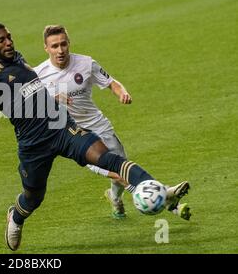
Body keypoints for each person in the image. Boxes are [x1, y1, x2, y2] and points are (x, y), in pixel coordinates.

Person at [0, 22, 190, 251]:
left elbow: (32, 92)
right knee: (34, 197)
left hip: (63, 129)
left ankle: (154, 188)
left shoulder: (18, 58)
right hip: (33, 145)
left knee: (107, 157)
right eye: (1, 40)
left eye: (9, 37)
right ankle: (15, 217)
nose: (8, 42)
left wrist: (52, 99)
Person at [34, 25, 191, 221]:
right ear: (46, 48)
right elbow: (25, 106)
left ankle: (115, 199)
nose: (60, 50)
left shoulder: (86, 63)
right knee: (116, 172)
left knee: (122, 165)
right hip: (75, 137)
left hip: (100, 126)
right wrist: (51, 100)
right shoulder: (38, 75)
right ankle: (166, 197)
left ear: (69, 43)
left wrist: (122, 93)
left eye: (63, 44)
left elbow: (111, 83)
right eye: (54, 46)